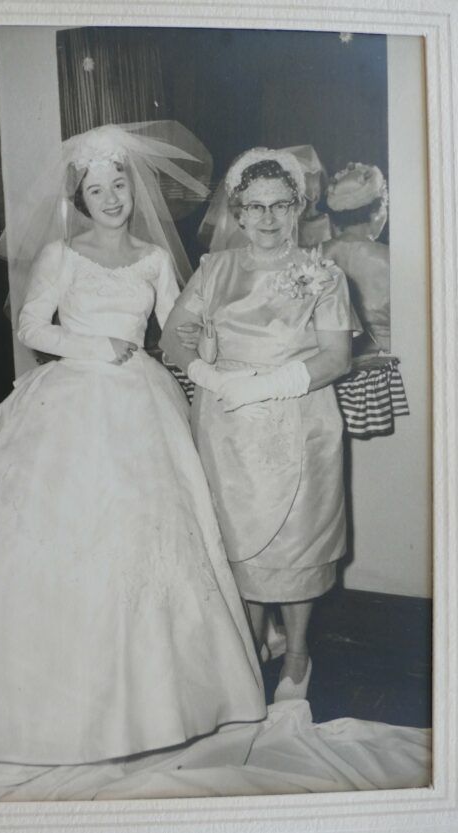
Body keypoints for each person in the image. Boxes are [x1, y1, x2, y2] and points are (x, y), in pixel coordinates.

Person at [0, 122, 266, 768]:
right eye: (97, 188)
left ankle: (158, 703)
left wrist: (227, 340)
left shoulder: (153, 258)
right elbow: (33, 323)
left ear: (134, 186)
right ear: (81, 198)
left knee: (149, 540)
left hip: (141, 405)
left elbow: (178, 330)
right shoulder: (61, 255)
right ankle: (32, 707)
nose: (112, 196)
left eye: (119, 182)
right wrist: (92, 345)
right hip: (68, 398)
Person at [160, 147, 358, 702]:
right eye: (255, 207)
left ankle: (296, 654)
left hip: (300, 417)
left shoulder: (322, 275)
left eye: (280, 206)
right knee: (239, 537)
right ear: (237, 212)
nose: (267, 219)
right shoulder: (215, 269)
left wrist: (266, 385)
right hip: (226, 424)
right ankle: (251, 642)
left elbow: (337, 357)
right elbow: (173, 335)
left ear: (299, 208)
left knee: (298, 537)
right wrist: (208, 374)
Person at [323, 161, 390, 357]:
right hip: (390, 368)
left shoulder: (315, 256)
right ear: (377, 212)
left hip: (332, 369)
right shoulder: (394, 259)